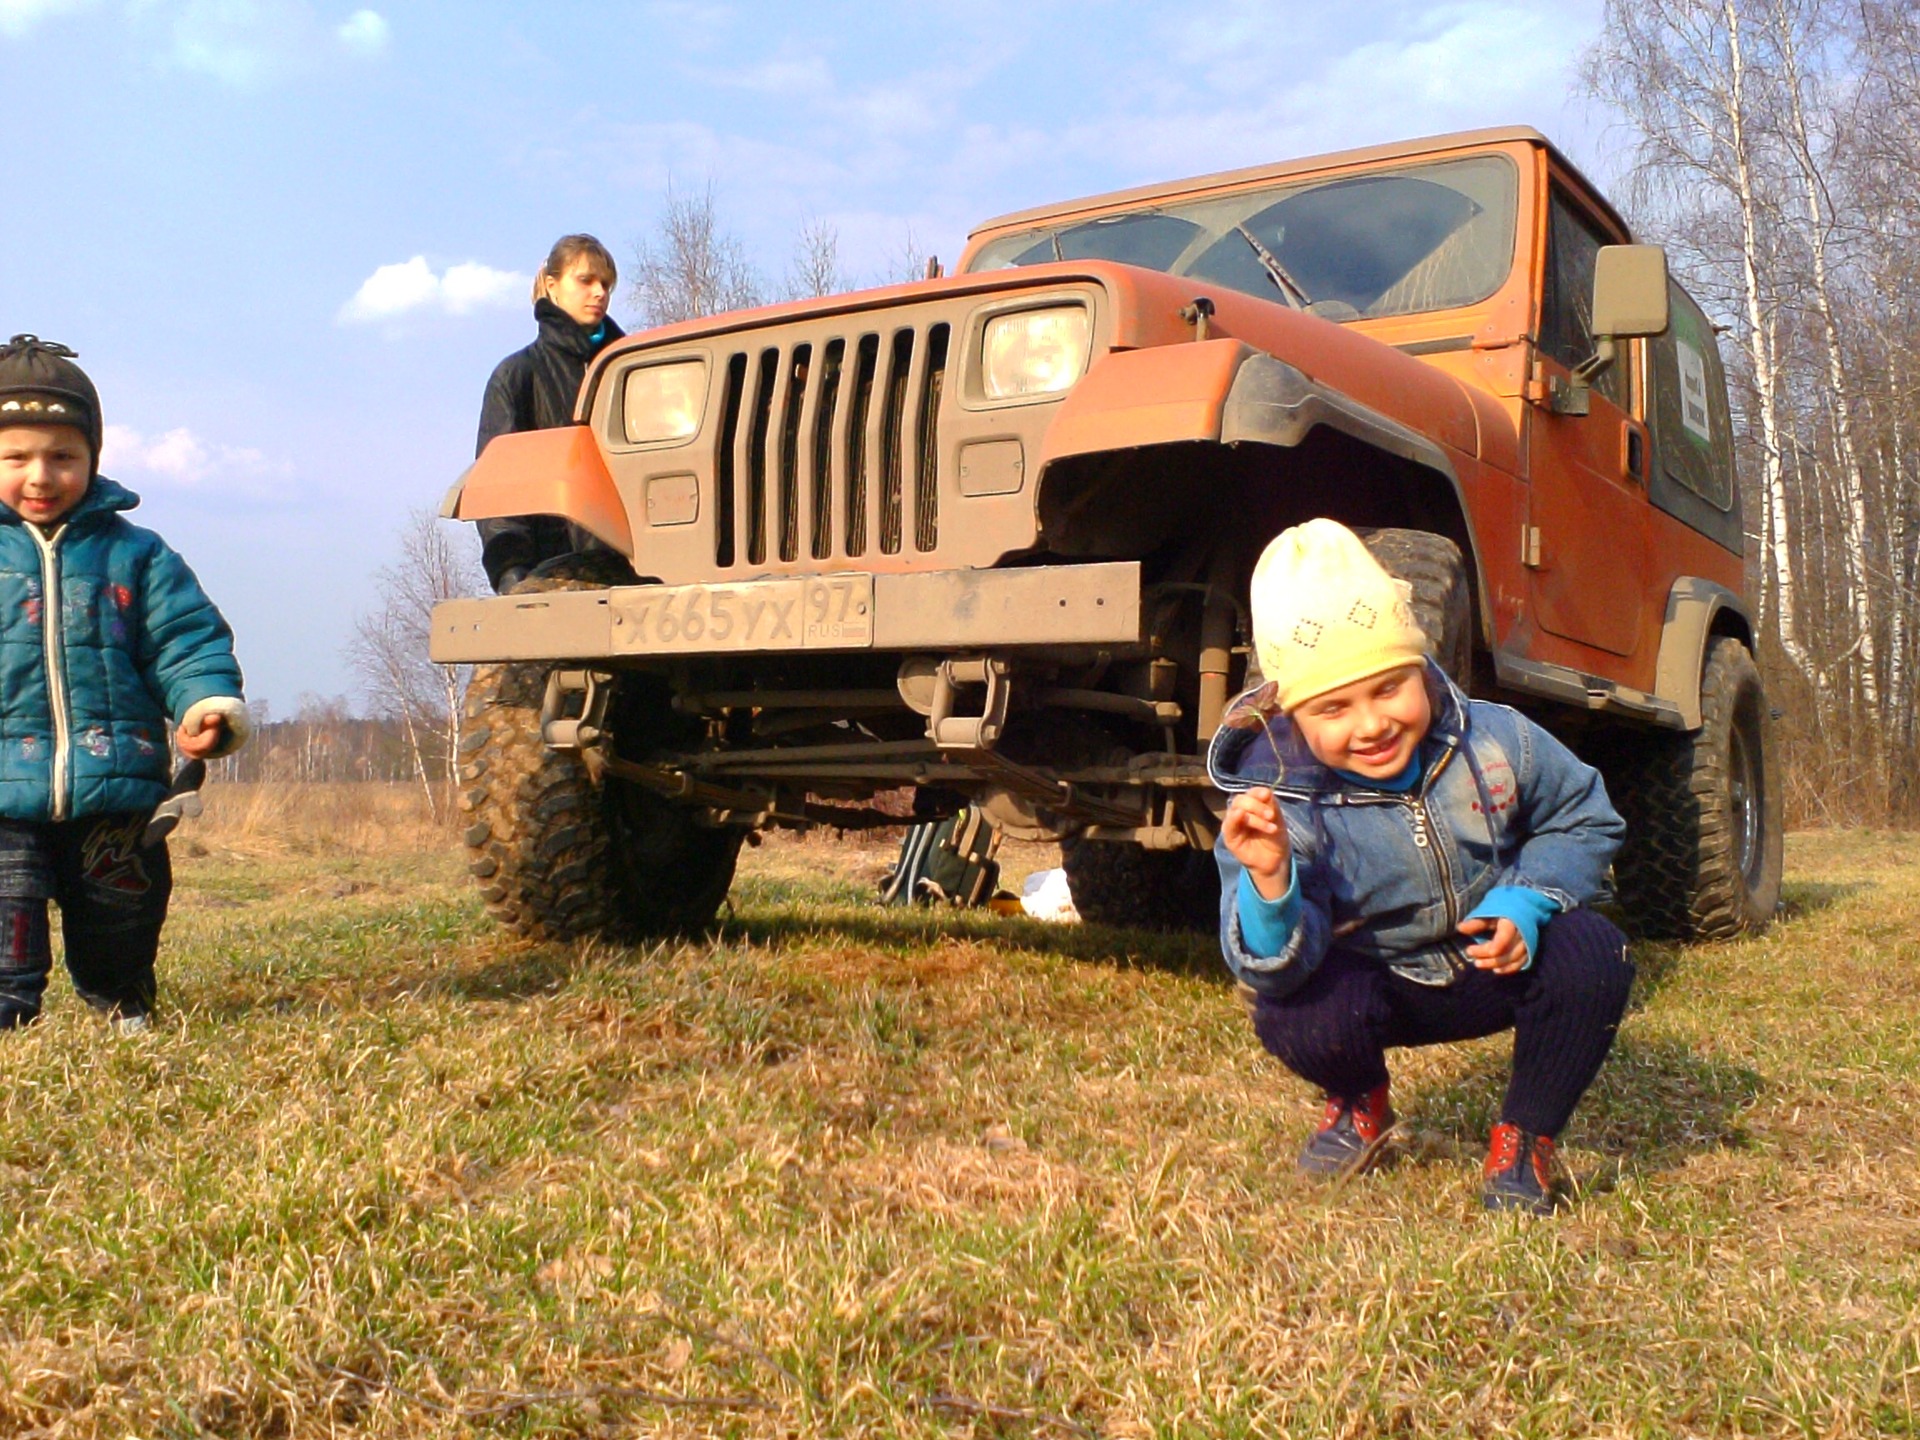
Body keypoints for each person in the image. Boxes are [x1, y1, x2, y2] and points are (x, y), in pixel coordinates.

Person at [1209, 518, 1632, 1214]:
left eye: (1389, 688)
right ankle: (1358, 1104)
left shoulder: (1495, 739)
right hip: (1380, 983)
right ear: (1289, 715)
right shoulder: (1278, 806)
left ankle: (1526, 1138)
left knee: (1594, 953)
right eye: (1334, 707)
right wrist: (1272, 882)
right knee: (1294, 1010)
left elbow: (1585, 814)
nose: (1371, 724)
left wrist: (1526, 900)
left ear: (1424, 669)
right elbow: (1270, 966)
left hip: (1493, 959)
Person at [0, 335, 248, 1031]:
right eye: (16, 457)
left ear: (94, 460)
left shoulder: (134, 553)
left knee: (121, 911)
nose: (41, 476)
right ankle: (8, 1016)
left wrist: (205, 702)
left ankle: (122, 1005)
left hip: (115, 779)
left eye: (63, 457)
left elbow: (184, 639)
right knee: (4, 913)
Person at [474, 233, 626, 594]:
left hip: (638, 574)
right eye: (586, 280)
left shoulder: (631, 374)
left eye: (606, 283)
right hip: (555, 579)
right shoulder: (518, 376)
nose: (599, 292)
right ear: (553, 286)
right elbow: (499, 491)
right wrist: (512, 574)